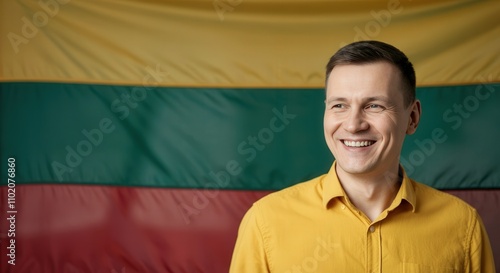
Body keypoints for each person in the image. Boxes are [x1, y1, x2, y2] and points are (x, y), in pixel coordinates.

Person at [229, 40, 495, 273]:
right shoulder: (265, 221)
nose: (354, 124)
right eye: (339, 105)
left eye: (374, 105)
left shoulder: (463, 225)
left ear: (412, 118)